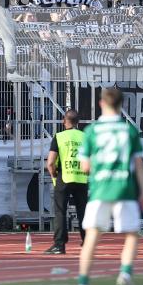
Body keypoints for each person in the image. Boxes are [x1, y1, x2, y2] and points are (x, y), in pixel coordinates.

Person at [76, 87, 143, 285]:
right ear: (121, 105)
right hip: (124, 188)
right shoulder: (129, 130)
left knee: (92, 237)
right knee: (132, 234)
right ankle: (125, 273)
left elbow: (84, 166)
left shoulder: (92, 131)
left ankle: (83, 283)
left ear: (101, 104)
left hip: (100, 189)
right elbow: (138, 163)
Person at [44, 109, 88, 255]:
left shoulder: (59, 136)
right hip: (81, 178)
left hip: (64, 176)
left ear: (64, 121)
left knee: (60, 211)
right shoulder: (85, 137)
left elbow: (50, 162)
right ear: (78, 122)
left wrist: (54, 175)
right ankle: (87, 241)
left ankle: (59, 245)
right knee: (83, 211)